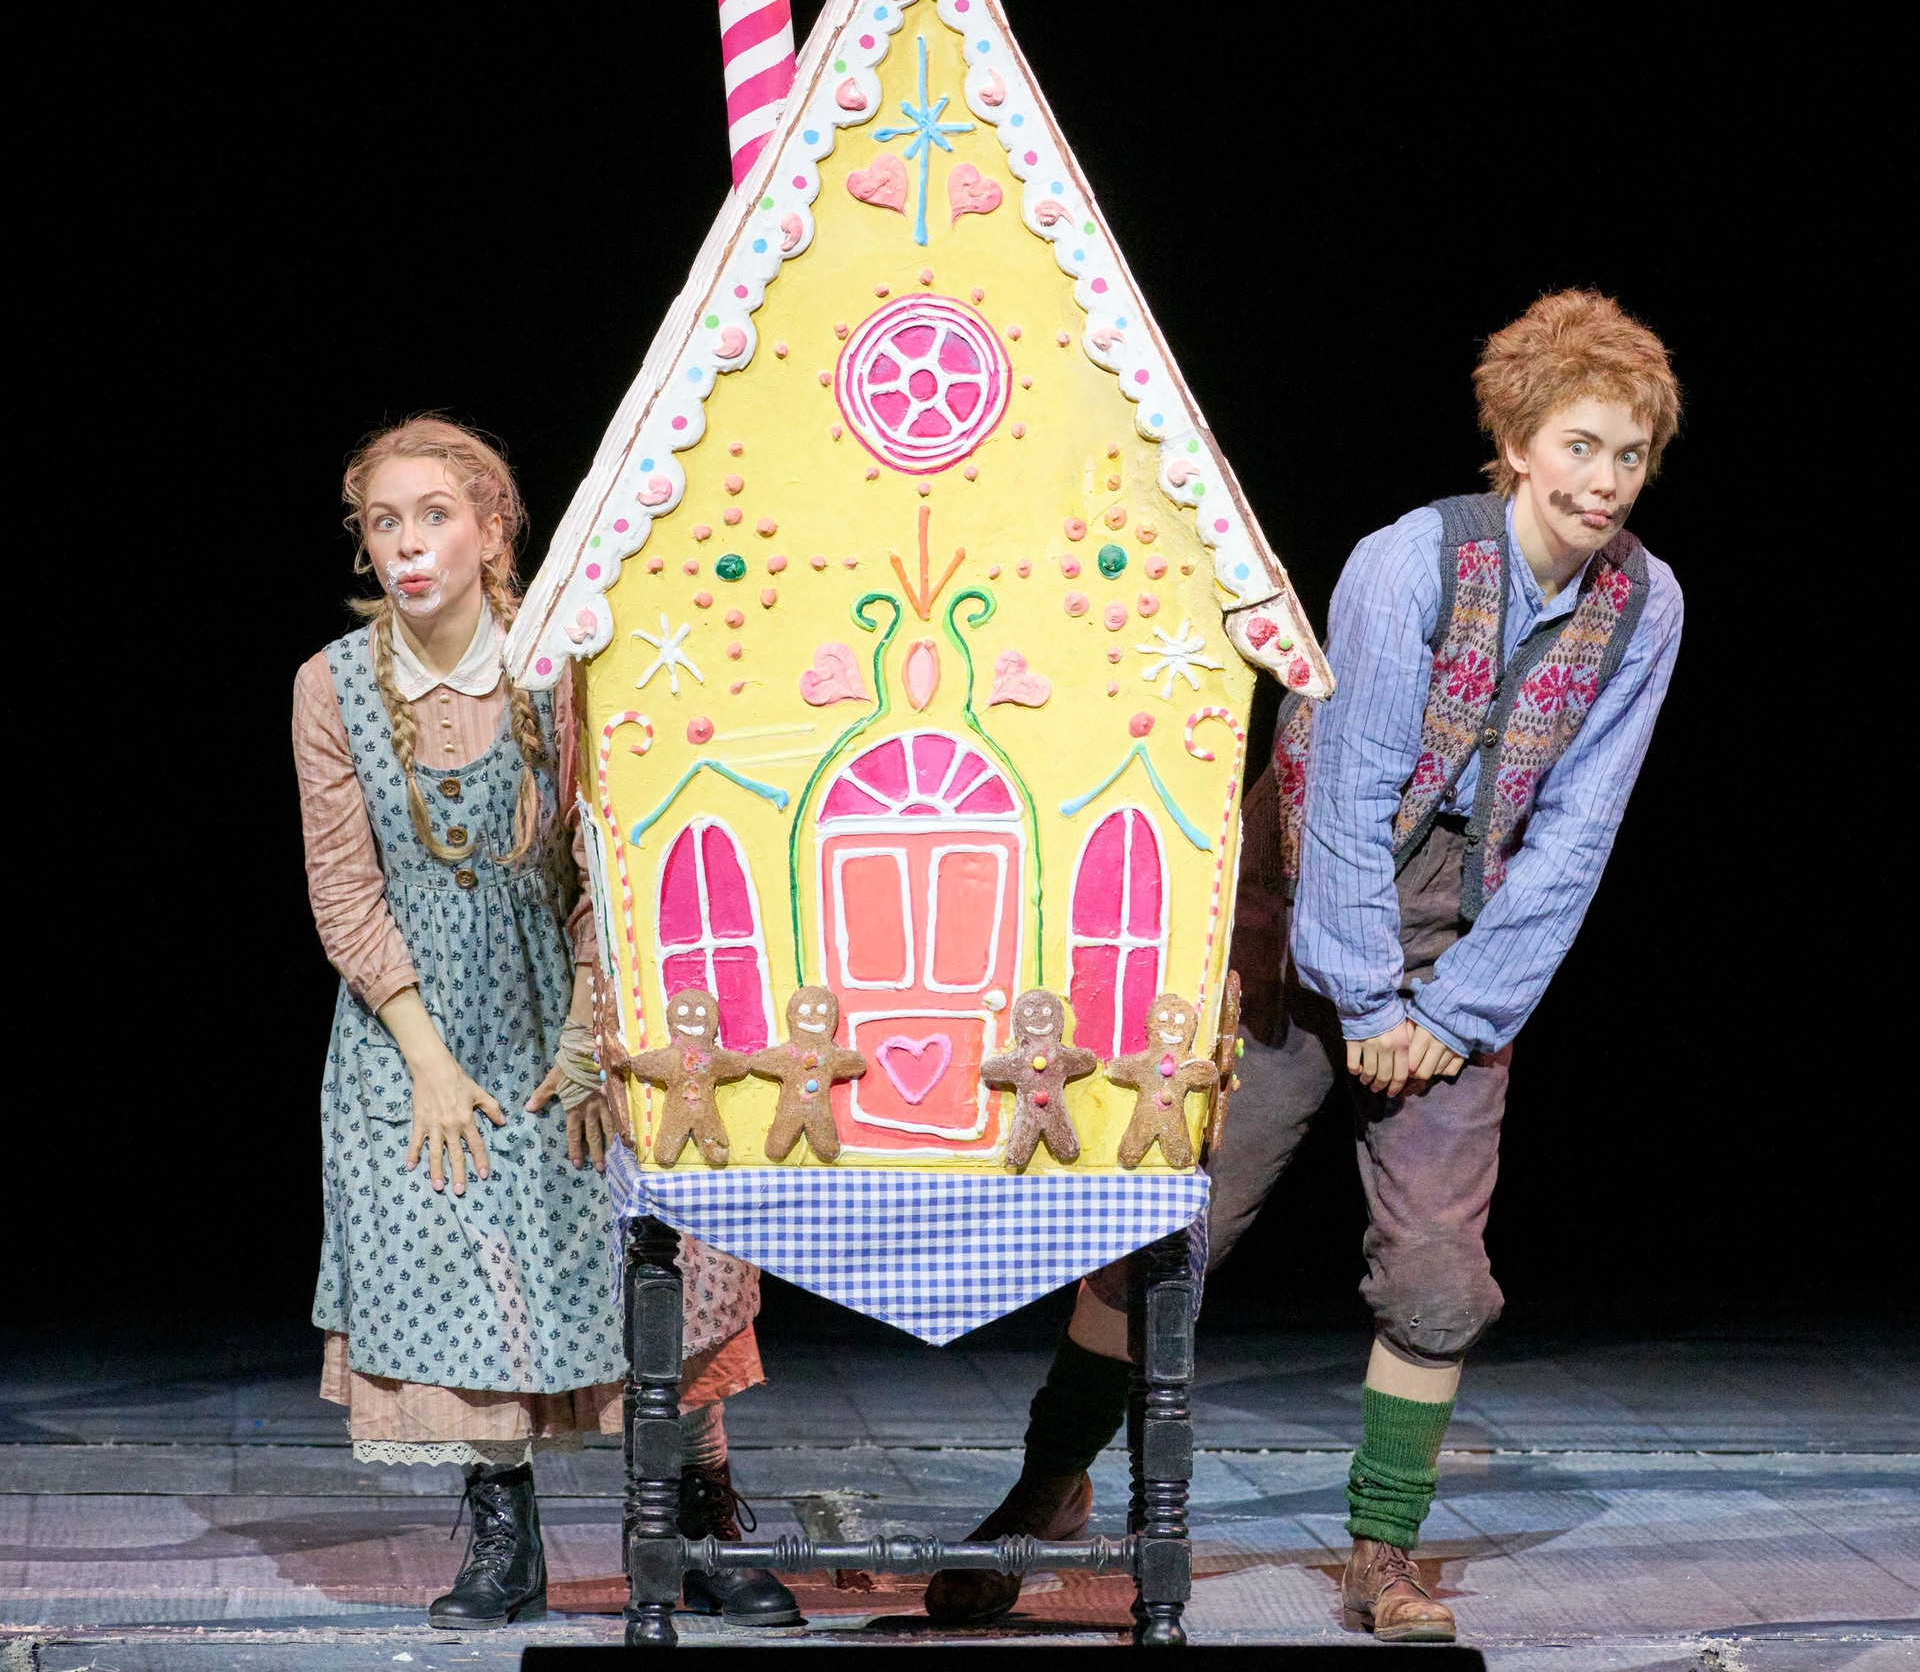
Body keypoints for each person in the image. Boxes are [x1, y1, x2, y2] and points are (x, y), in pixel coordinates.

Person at [927, 291, 1684, 1641]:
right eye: (1580, 444)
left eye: (1629, 455)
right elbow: (1344, 789)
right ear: (1516, 439)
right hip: (1295, 929)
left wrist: (1451, 1011)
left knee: (1442, 1272)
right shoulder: (1410, 561)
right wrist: (1368, 993)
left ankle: (1382, 1550)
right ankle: (1045, 1489)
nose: (1604, 480)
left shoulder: (1645, 605)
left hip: (1466, 955)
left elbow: (1577, 835)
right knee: (1171, 1230)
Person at [296, 417, 797, 1629]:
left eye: (435, 516)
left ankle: (690, 1515)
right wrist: (427, 1061)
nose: (408, 547)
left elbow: (606, 866)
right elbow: (344, 889)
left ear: (491, 527)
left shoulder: (563, 665)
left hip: (574, 1003)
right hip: (412, 1020)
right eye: (385, 522)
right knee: (462, 1245)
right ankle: (502, 1533)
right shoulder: (332, 685)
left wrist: (586, 1043)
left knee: (660, 1247)